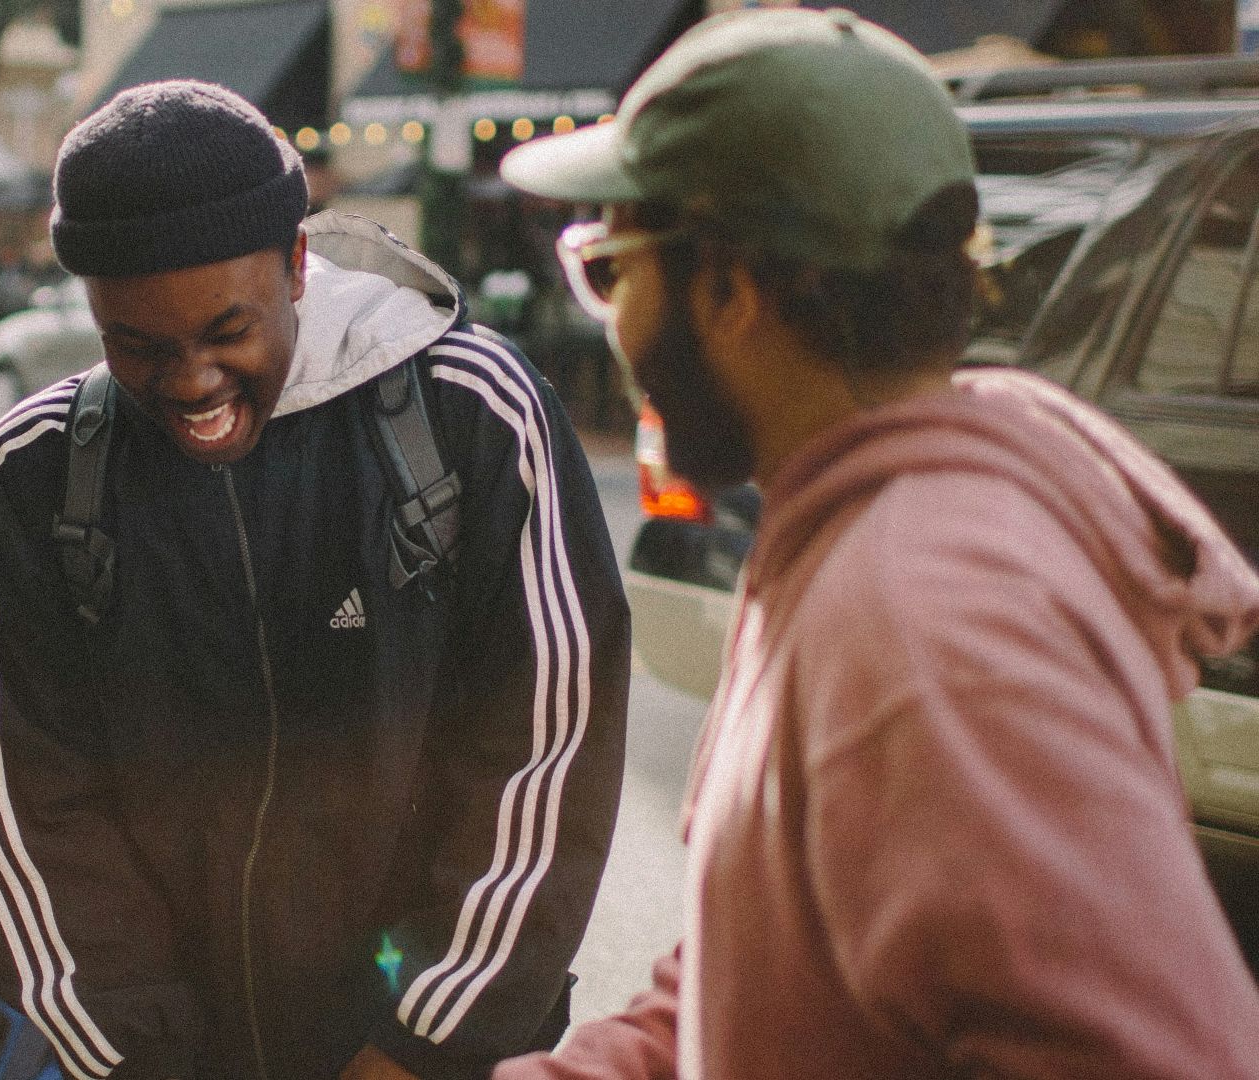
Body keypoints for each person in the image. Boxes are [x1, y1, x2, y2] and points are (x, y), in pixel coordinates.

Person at [495, 9, 1259, 1078]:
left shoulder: (922, 623)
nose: (610, 320)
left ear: (731, 288)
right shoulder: (860, 543)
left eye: (611, 267)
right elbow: (758, 975)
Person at [0, 81, 630, 1080]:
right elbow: (18, 807)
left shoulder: (472, 411)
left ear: (298, 265)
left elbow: (547, 753)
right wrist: (139, 1054)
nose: (191, 382)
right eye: (138, 345)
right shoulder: (36, 473)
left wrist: (420, 1044)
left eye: (228, 332)